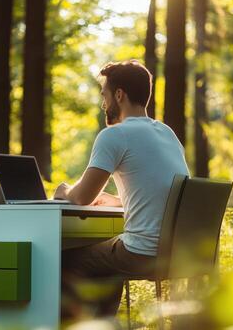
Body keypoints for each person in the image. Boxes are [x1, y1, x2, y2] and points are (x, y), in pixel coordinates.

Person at [54, 60, 190, 321]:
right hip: (180, 250)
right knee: (107, 257)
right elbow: (165, 193)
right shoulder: (166, 133)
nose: (103, 103)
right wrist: (117, 201)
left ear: (119, 94)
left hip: (144, 253)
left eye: (104, 94)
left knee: (64, 261)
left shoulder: (115, 135)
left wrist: (64, 191)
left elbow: (81, 197)